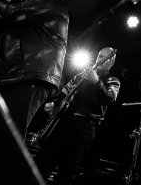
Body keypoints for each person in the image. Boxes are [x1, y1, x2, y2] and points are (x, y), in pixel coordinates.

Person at [0, 0, 69, 139]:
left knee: (8, 134)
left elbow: (13, 14)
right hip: (16, 74)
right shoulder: (32, 8)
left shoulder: (50, 0)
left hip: (28, 75)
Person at [34, 46, 120, 185]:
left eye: (107, 58)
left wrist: (97, 82)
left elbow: (110, 99)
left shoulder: (113, 80)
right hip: (63, 123)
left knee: (67, 172)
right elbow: (63, 93)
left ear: (112, 62)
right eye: (101, 56)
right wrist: (53, 103)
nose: (103, 60)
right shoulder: (81, 75)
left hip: (83, 129)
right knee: (42, 163)